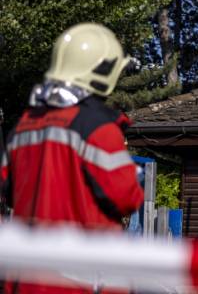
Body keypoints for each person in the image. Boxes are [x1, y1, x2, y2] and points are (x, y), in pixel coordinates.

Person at [1, 23, 143, 291]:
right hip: (80, 282)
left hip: (23, 280)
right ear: (104, 71)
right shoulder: (98, 129)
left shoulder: (23, 126)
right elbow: (127, 197)